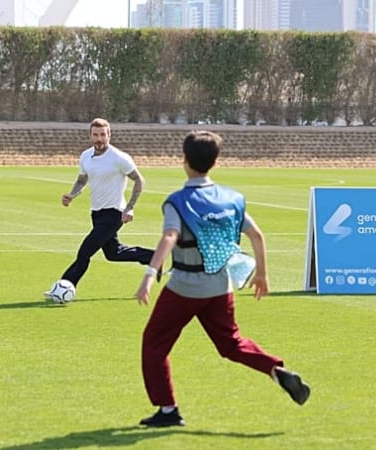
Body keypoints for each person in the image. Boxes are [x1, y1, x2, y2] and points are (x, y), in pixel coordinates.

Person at [134, 130, 310, 427]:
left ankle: (168, 410)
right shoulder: (232, 199)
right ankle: (277, 371)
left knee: (154, 343)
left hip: (185, 288)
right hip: (220, 286)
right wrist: (263, 275)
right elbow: (257, 235)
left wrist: (150, 274)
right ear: (215, 162)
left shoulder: (178, 201)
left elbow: (170, 236)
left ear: (184, 161)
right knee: (231, 343)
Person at [46, 117, 157, 297]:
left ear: (109, 135)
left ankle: (62, 288)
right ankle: (152, 256)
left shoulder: (119, 157)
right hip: (96, 213)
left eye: (103, 135)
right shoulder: (85, 156)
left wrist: (129, 207)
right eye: (96, 135)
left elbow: (139, 180)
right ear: (90, 136)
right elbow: (82, 179)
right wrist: (72, 194)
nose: (99, 139)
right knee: (113, 253)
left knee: (84, 253)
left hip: (114, 213)